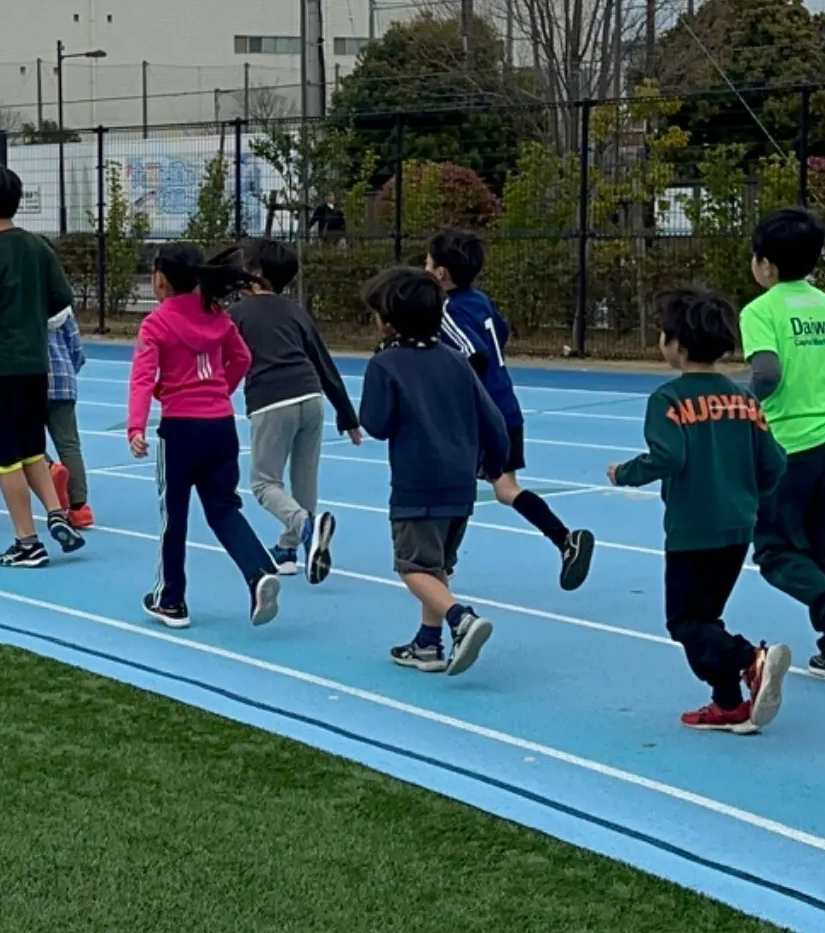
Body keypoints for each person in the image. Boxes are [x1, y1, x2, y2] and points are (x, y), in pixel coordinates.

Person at [607, 285, 790, 734]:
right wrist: (748, 495)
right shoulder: (745, 400)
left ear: (678, 345)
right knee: (706, 617)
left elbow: (668, 457)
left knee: (685, 621)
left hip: (693, 527)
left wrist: (624, 473)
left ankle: (749, 658)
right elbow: (774, 462)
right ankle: (728, 704)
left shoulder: (668, 399)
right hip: (738, 525)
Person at [740, 205, 825, 681]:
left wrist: (744, 405)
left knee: (773, 550)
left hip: (791, 448)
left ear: (765, 264)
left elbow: (766, 373)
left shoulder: (761, 311)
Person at [357, 265, 508, 676]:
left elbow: (376, 423)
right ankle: (427, 643)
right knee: (439, 564)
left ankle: (461, 619)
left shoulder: (386, 364)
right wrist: (494, 463)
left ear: (388, 321)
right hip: (461, 484)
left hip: (417, 483)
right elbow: (493, 420)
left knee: (414, 567)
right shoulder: (456, 360)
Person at [425, 228, 593, 592]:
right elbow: (500, 333)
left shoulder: (447, 311)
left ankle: (442, 564)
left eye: (427, 263)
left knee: (453, 485)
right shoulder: (480, 300)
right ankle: (565, 540)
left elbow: (473, 353)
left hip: (480, 416)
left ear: (440, 273)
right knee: (505, 488)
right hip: (507, 406)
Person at [127, 244, 281, 631]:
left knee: (174, 517)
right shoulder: (217, 316)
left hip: (180, 430)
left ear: (160, 280)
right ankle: (259, 570)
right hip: (220, 426)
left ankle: (171, 600)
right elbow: (242, 358)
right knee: (224, 508)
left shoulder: (156, 323)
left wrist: (136, 427)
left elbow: (143, 378)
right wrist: (219, 393)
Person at [0, 162, 86, 568]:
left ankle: (26, 540)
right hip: (35, 364)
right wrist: (29, 314)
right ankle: (57, 513)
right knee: (33, 446)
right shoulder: (37, 246)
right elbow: (61, 297)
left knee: (4, 456)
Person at [229, 239, 360, 581]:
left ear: (255, 272)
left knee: (263, 483)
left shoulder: (237, 315)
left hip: (271, 400)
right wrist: (347, 414)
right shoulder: (295, 311)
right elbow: (323, 361)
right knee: (304, 482)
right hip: (311, 397)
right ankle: (288, 549)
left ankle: (305, 526)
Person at [46, 300, 96, 531]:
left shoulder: (24, 303)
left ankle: (49, 468)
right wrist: (68, 371)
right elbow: (77, 351)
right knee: (69, 444)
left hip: (30, 380)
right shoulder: (63, 310)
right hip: (63, 382)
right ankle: (79, 507)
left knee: (26, 440)